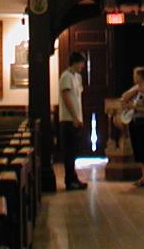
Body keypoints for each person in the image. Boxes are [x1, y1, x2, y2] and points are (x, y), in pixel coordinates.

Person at [120, 66, 144, 187]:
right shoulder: (137, 89)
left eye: (135, 75)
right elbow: (124, 97)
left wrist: (134, 107)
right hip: (135, 122)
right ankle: (143, 177)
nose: (133, 77)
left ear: (141, 77)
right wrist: (135, 89)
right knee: (139, 150)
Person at [58, 51, 87, 190]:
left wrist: (80, 117)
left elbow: (77, 98)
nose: (83, 65)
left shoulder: (77, 77)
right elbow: (66, 97)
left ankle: (74, 178)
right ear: (75, 62)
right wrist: (75, 117)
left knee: (74, 151)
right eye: (81, 62)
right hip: (68, 119)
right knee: (69, 152)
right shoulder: (66, 76)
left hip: (76, 119)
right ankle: (69, 181)